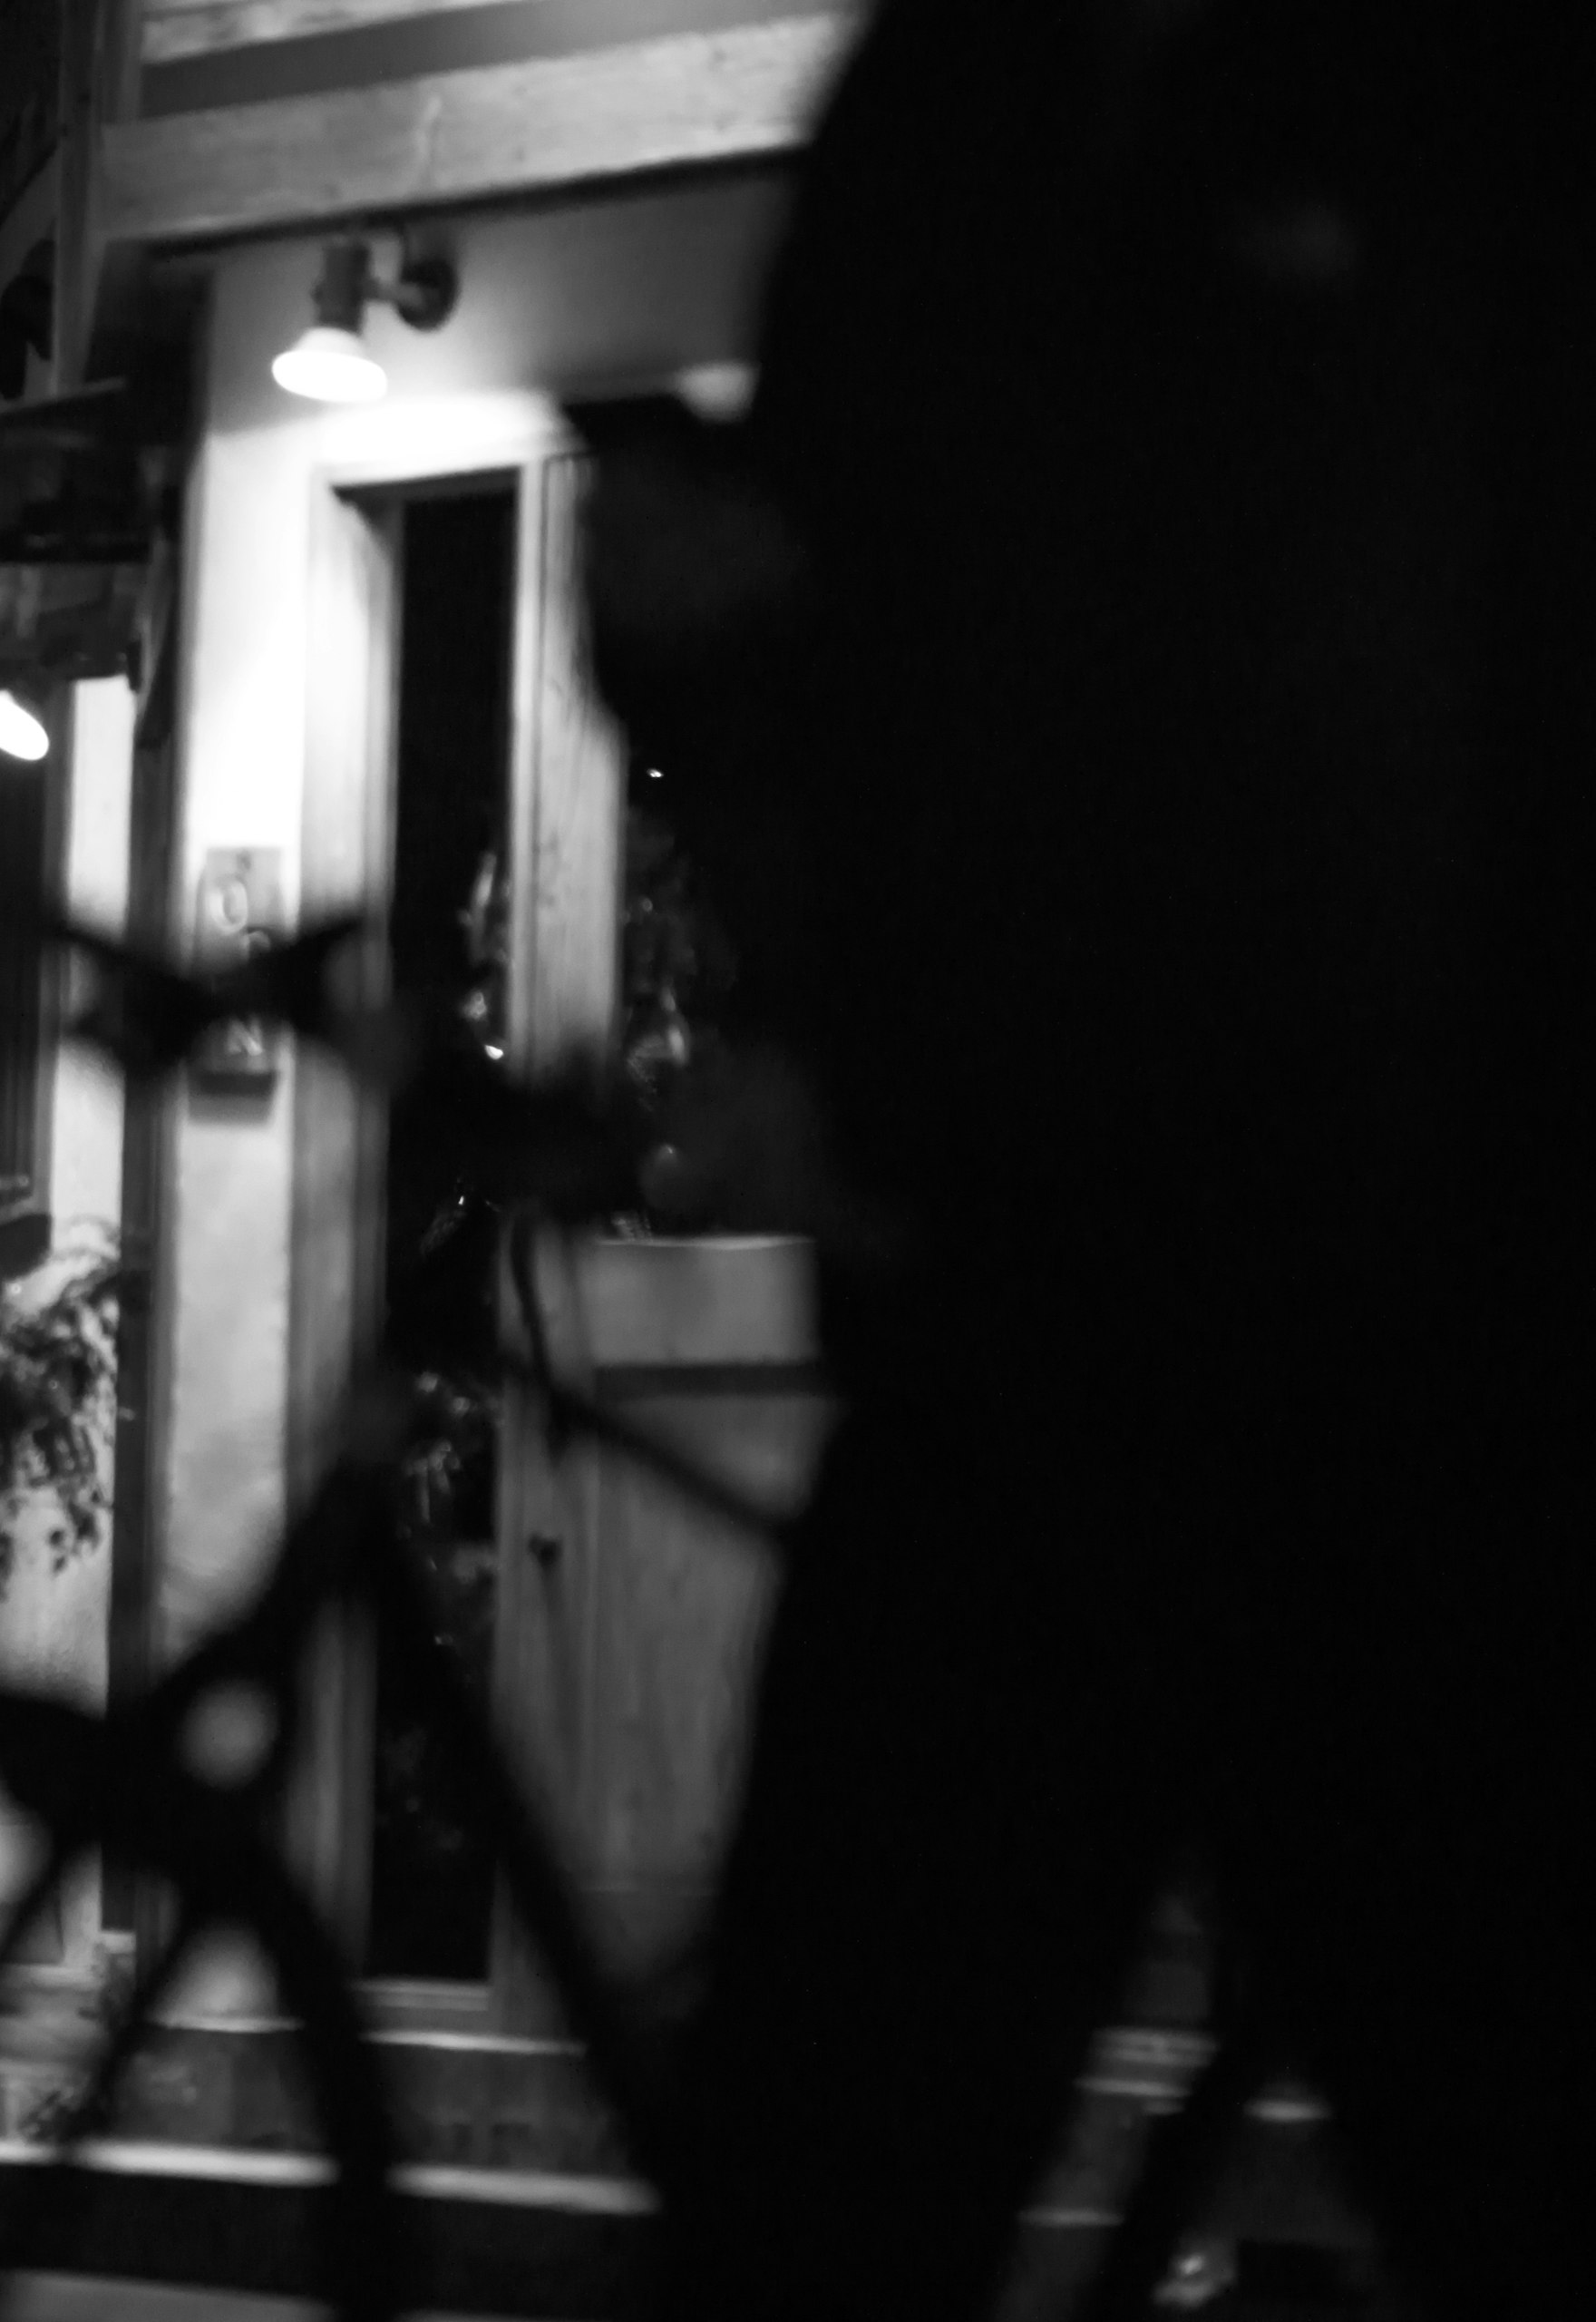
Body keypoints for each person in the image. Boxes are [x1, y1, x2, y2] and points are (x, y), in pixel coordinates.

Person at [569, 9, 1578, 2319]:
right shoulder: (994, 102)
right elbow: (839, 630)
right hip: (1124, 1317)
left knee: (848, 2153)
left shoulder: (1034, 109)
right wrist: (703, 647)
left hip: (1308, 1331)